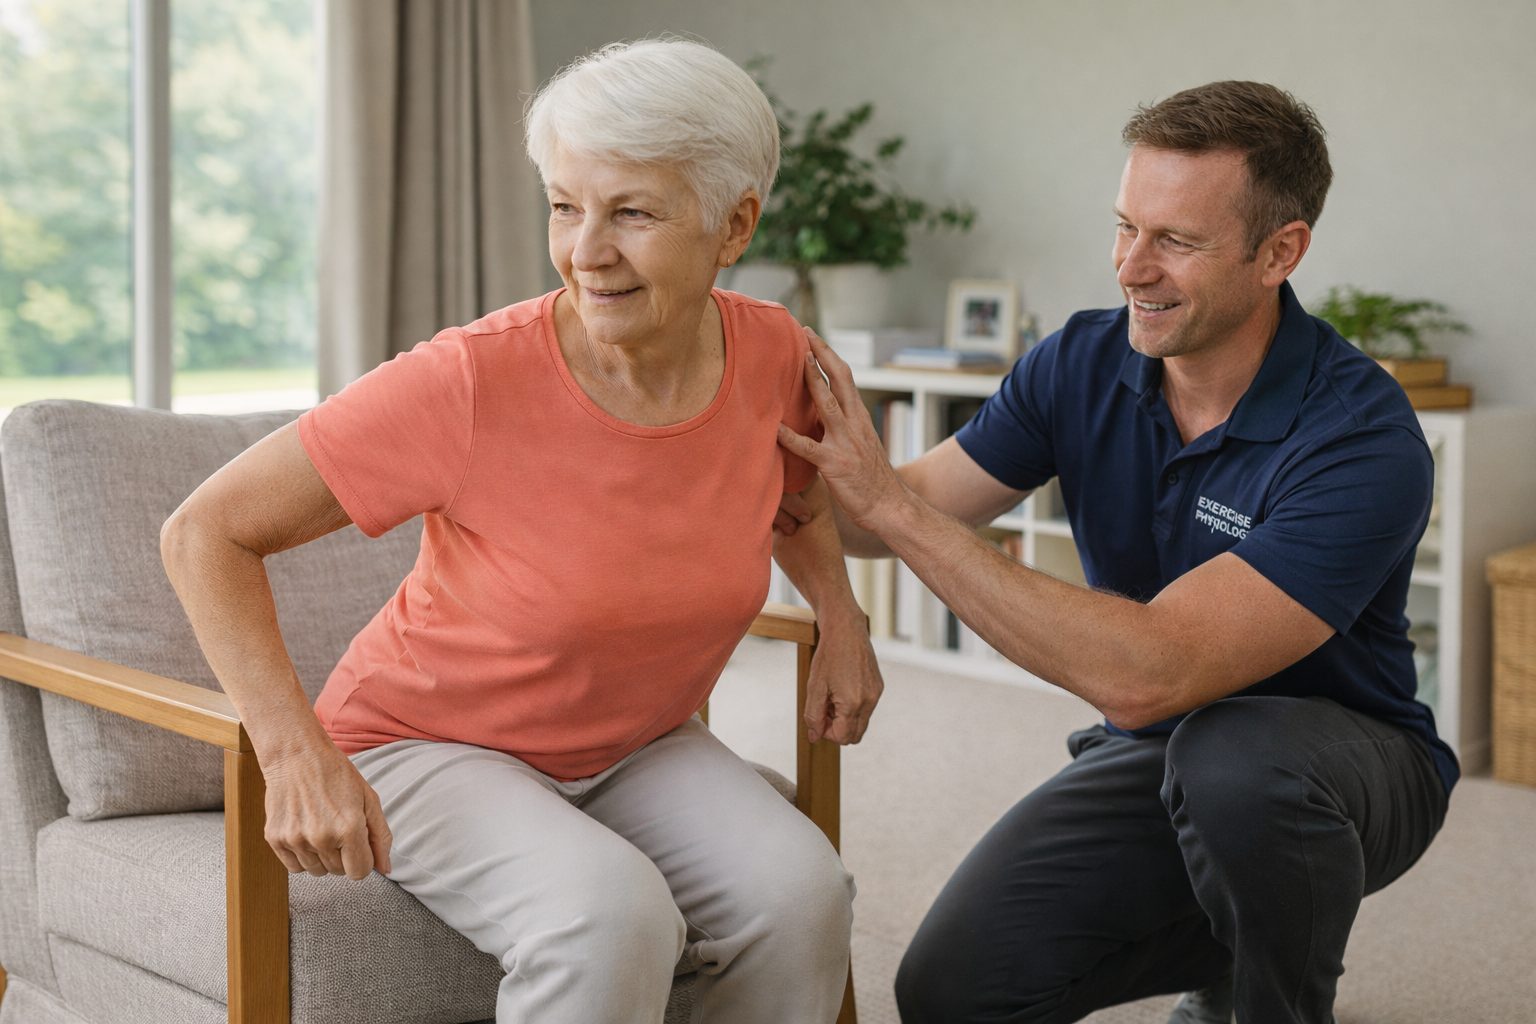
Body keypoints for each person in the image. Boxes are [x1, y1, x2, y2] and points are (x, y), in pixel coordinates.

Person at [161, 39, 882, 1024]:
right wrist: (293, 753)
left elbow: (793, 495)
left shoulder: (775, 355)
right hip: (425, 744)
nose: (587, 249)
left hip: (637, 739)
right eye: (564, 205)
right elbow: (204, 532)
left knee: (804, 896)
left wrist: (840, 613)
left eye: (631, 210)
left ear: (733, 226)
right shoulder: (469, 379)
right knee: (607, 914)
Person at [777, 80, 1453, 1024]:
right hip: (1160, 752)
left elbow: (1150, 675)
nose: (1132, 267)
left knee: (1237, 760)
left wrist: (892, 510)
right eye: (1125, 226)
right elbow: (908, 505)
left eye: (1175, 241)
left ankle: (1267, 1001)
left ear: (1280, 252)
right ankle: (1231, 928)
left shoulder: (1360, 438)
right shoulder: (1081, 362)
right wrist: (767, 454)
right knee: (952, 992)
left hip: (1344, 770)